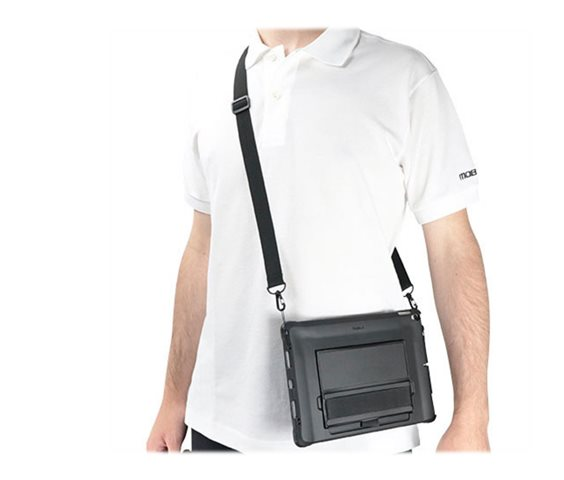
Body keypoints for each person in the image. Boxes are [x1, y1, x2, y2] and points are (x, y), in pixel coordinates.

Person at [146, 27, 490, 454]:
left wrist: (472, 416)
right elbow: (202, 248)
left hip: (365, 430)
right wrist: (173, 398)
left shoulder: (405, 76)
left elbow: (452, 246)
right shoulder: (211, 83)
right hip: (219, 426)